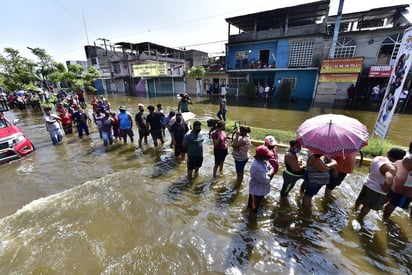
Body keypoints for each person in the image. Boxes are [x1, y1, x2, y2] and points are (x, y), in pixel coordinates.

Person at [354, 148, 406, 222]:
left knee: (360, 200)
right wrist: (386, 189)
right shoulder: (391, 168)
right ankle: (359, 219)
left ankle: (355, 210)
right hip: (377, 190)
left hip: (367, 183)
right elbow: (388, 181)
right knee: (367, 206)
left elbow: (370, 170)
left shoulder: (377, 158)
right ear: (400, 159)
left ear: (388, 152)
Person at [383, 143, 412, 220]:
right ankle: (384, 219)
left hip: (396, 182)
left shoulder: (406, 155)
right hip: (406, 188)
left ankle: (377, 206)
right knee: (393, 204)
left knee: (388, 197)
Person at [248, 145, 276, 218]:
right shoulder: (257, 166)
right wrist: (270, 173)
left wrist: (270, 171)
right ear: (261, 156)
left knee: (253, 205)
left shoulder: (262, 161)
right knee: (253, 209)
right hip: (256, 192)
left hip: (260, 190)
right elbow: (266, 180)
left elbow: (271, 167)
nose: (269, 157)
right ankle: (251, 221)